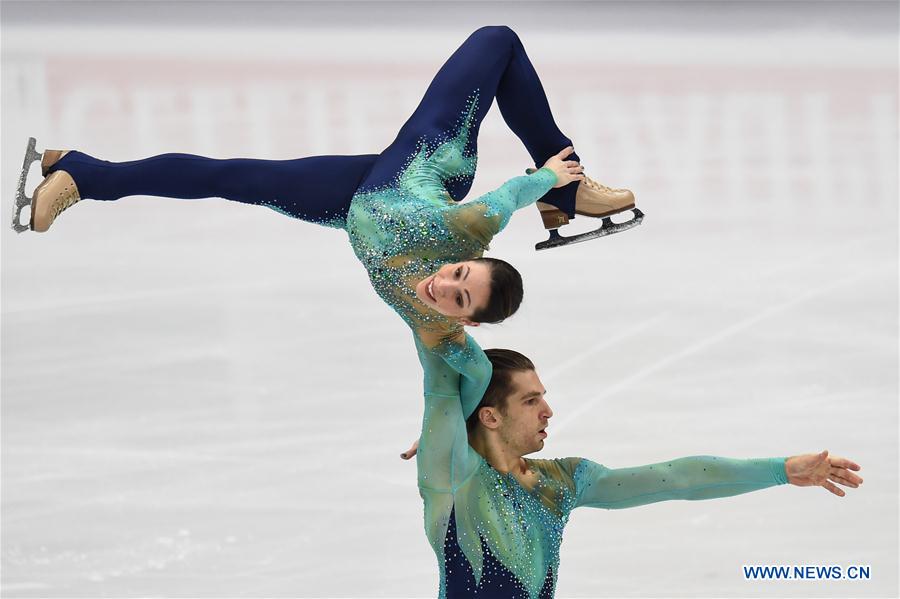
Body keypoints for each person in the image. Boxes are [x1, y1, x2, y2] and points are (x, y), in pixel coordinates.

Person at [14, 26, 638, 413]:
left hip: (353, 202)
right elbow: (502, 201)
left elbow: (455, 385)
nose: (442, 286)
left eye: (456, 298)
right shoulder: (468, 229)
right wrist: (551, 178)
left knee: (232, 179)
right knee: (497, 39)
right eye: (458, 275)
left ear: (463, 320)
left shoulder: (434, 333)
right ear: (466, 257)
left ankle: (82, 169)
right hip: (422, 168)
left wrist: (446, 441)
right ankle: (573, 188)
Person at [408, 348, 863, 598]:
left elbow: (677, 478)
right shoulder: (455, 479)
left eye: (543, 396)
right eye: (530, 401)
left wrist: (781, 470)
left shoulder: (559, 481)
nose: (549, 411)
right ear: (489, 416)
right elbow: (438, 377)